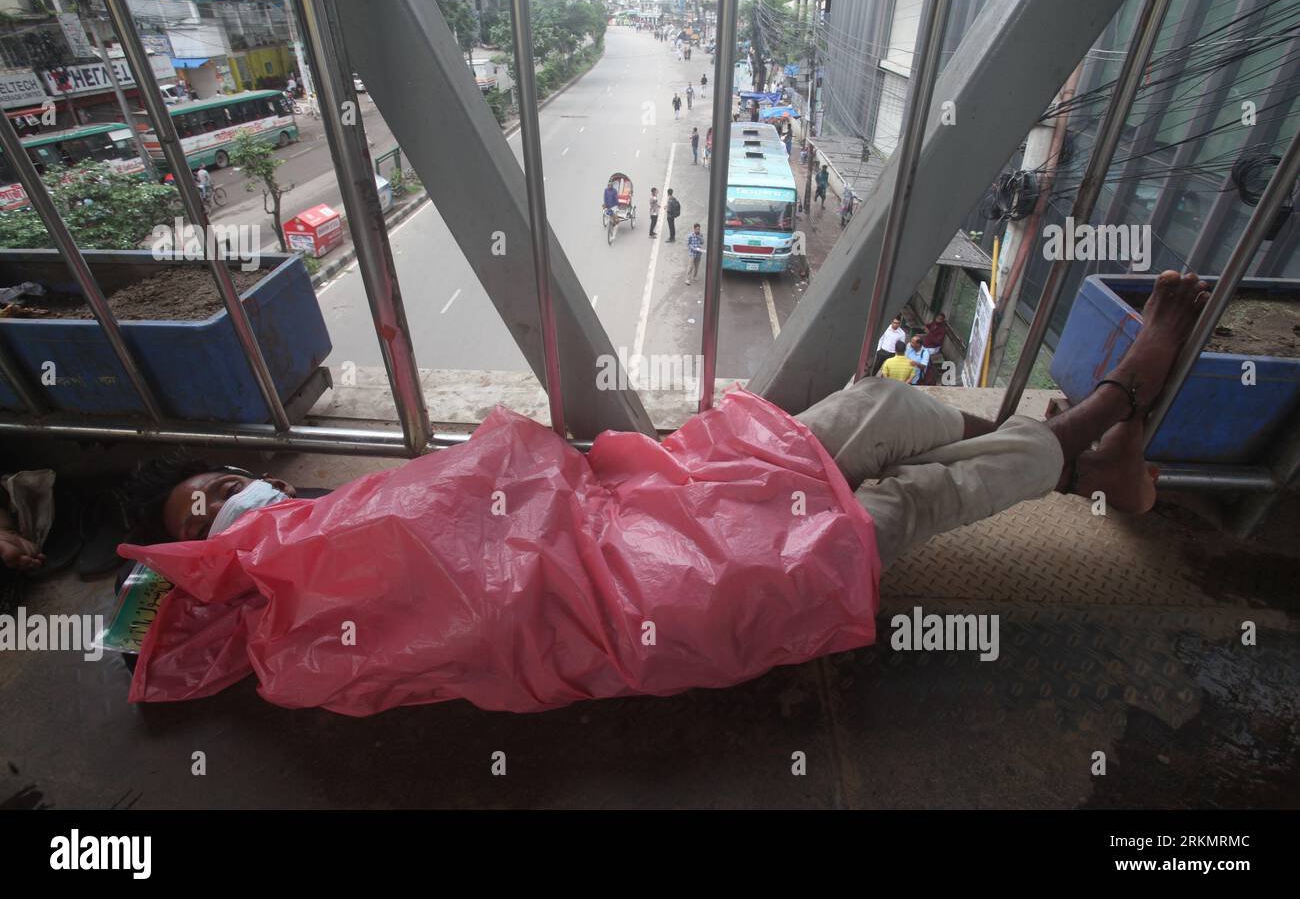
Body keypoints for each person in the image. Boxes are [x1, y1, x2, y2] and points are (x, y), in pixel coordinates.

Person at [118, 272, 1212, 716]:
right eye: (202, 516)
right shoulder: (290, 637)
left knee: (868, 409)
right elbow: (471, 618)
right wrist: (207, 605)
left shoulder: (325, 513)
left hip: (647, 507)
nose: (225, 500)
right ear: (203, 566)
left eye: (218, 481)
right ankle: (1100, 415)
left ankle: (1090, 458)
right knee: (910, 505)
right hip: (657, 592)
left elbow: (477, 486)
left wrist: (539, 476)